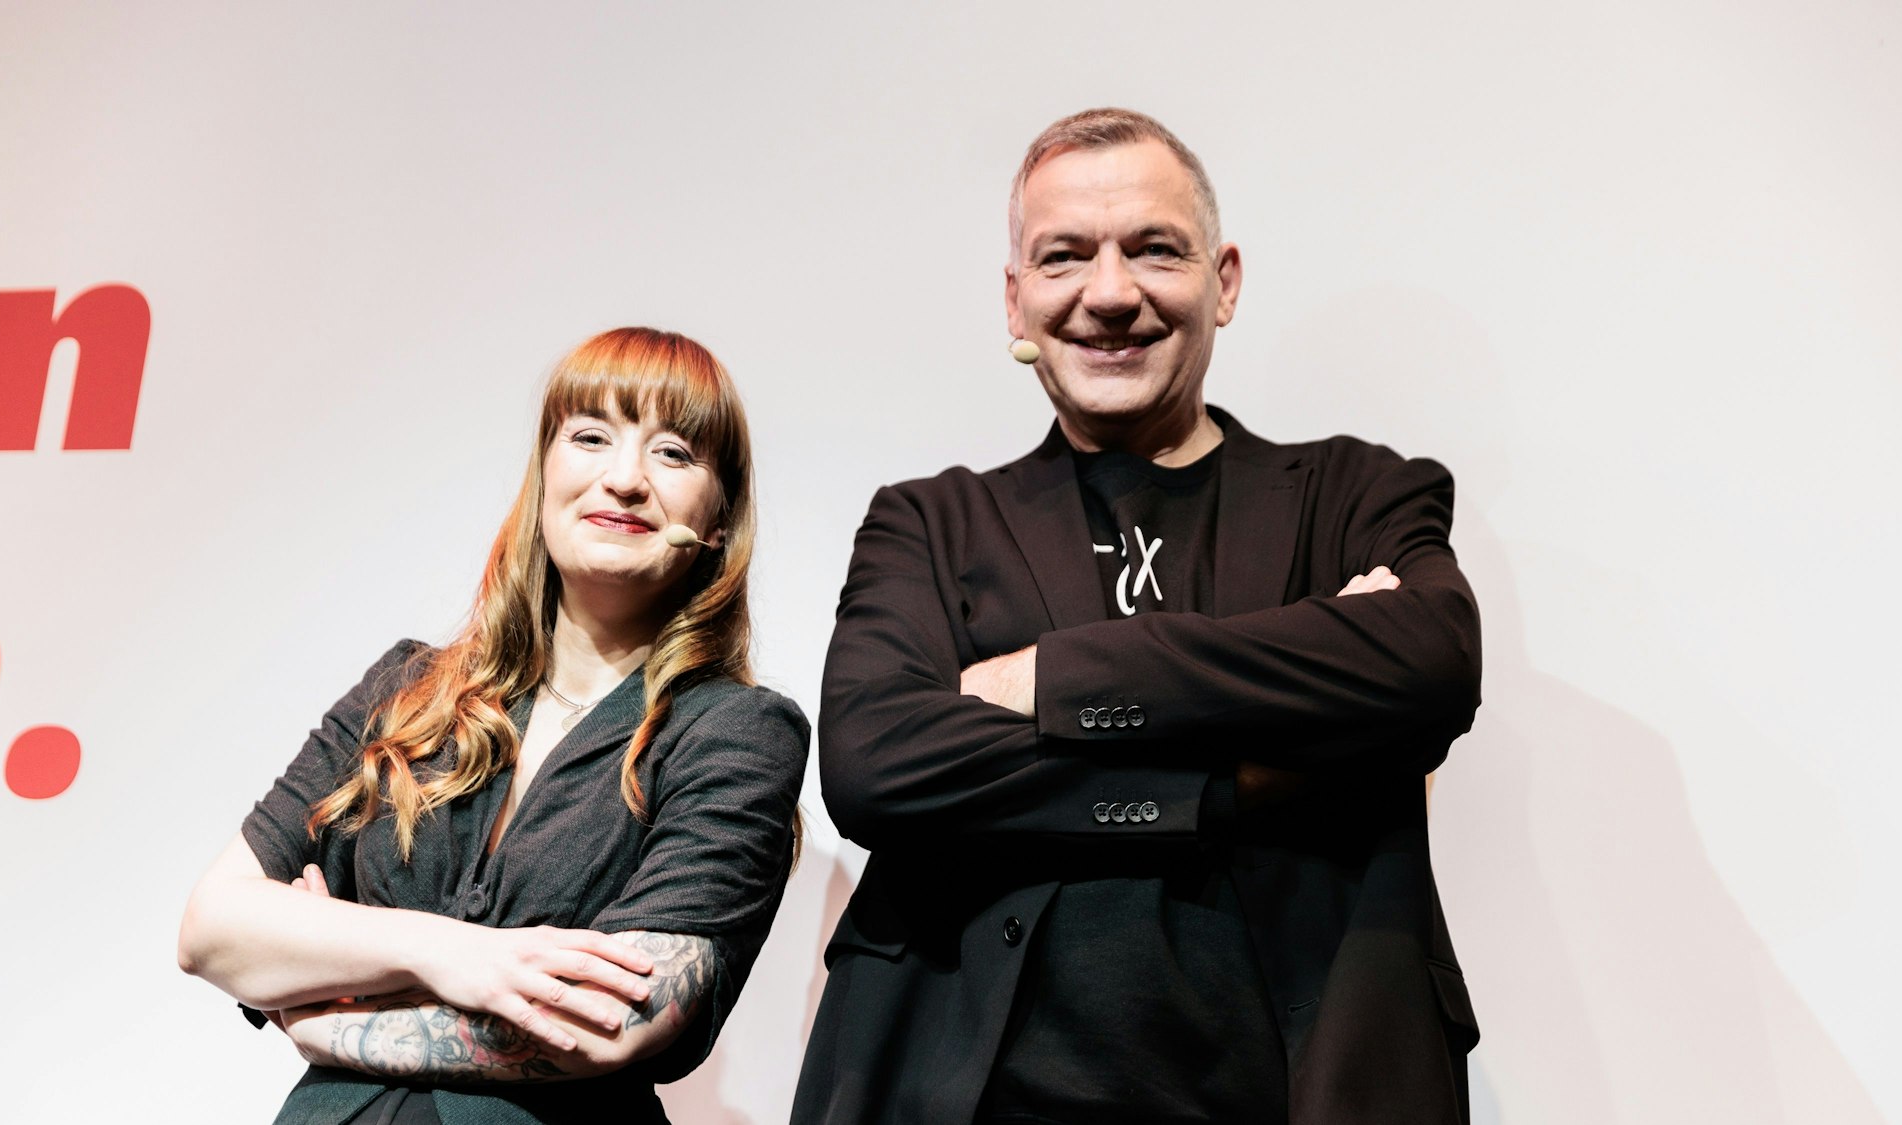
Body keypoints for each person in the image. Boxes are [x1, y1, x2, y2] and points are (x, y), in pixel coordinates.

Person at [792, 109, 1483, 1124]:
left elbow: (1425, 665)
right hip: (964, 1092)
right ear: (1016, 300)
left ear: (1224, 279)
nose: (1109, 295)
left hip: (1306, 1082)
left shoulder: (1353, 494)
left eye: (1152, 250)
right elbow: (875, 763)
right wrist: (1227, 781)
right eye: (1063, 257)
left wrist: (1057, 682)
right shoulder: (928, 524)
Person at [178, 327, 809, 1125]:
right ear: (545, 474)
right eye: (590, 437)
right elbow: (212, 927)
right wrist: (450, 954)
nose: (624, 479)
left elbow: (614, 1017)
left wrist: (334, 1005)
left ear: (718, 522)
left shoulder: (736, 731)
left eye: (674, 453)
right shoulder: (409, 688)